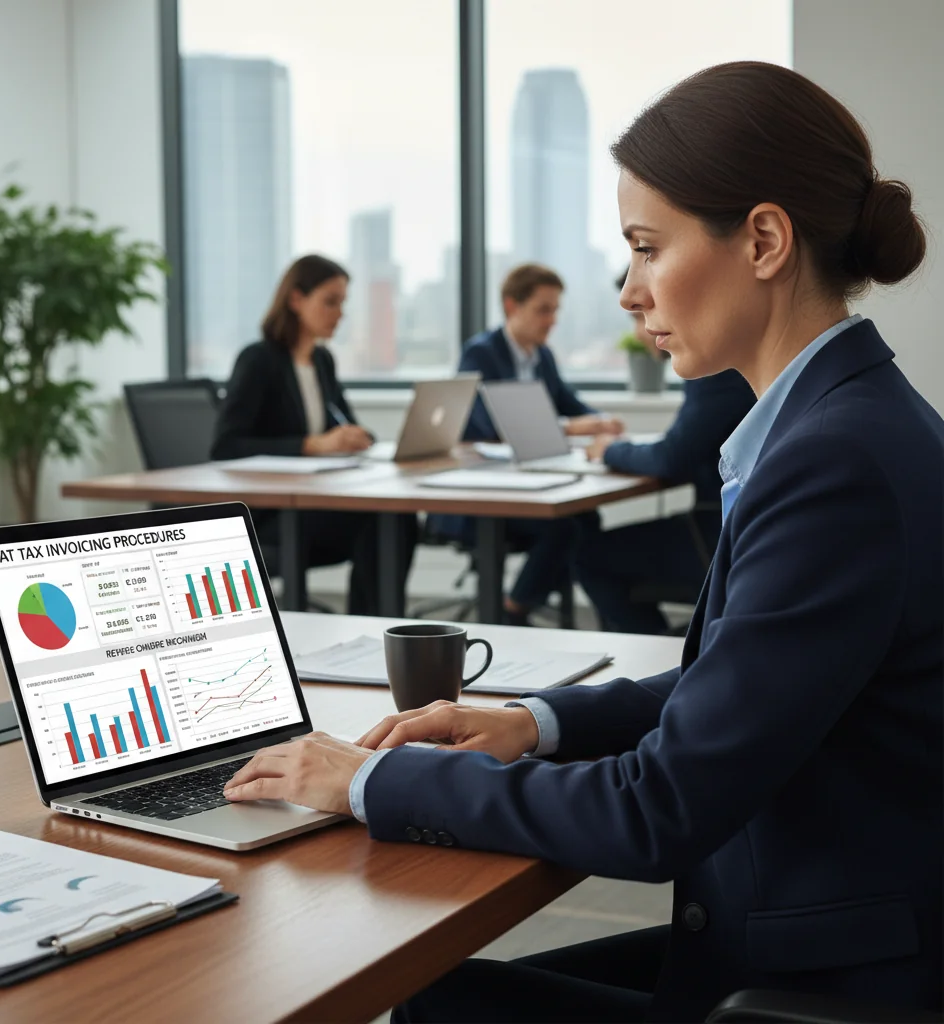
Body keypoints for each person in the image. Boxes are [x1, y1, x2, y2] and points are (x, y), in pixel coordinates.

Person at [222, 62, 943, 1020]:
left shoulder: (832, 464)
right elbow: (735, 681)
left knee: (446, 1008)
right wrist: (532, 723)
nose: (631, 292)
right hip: (810, 928)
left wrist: (375, 778)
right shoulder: (853, 423)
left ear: (764, 240)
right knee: (448, 992)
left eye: (647, 249)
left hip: (825, 978)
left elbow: (657, 812)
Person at [211, 254, 416, 615]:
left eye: (342, 303)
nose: (339, 313)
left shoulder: (322, 361)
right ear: (296, 300)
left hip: (315, 503)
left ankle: (380, 632)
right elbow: (226, 446)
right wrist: (311, 445)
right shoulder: (259, 360)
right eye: (330, 301)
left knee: (397, 515)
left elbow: (346, 424)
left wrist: (356, 436)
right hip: (271, 515)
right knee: (383, 520)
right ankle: (369, 629)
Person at [433, 263, 624, 625]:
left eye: (555, 310)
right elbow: (492, 427)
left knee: (587, 520)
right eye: (543, 309)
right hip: (483, 496)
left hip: (530, 485)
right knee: (565, 527)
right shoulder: (481, 353)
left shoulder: (542, 356)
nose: (552, 320)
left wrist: (602, 421)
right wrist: (572, 428)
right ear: (511, 307)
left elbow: (571, 404)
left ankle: (529, 602)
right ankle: (514, 609)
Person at [571, 268, 756, 632]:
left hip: (716, 538)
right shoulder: (727, 357)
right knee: (588, 537)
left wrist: (609, 450)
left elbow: (671, 458)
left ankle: (656, 660)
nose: (641, 330)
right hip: (723, 528)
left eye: (641, 315)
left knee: (589, 555)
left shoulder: (714, 368)